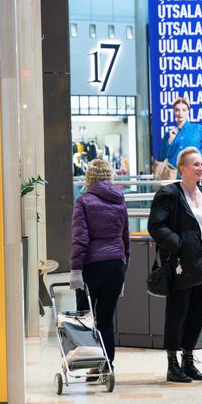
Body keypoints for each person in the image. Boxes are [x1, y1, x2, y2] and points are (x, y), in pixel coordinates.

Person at [148, 146, 202, 383]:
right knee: (178, 313)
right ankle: (172, 365)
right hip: (182, 263)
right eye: (195, 164)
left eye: (200, 164)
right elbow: (156, 226)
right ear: (182, 168)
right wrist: (180, 245)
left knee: (198, 314)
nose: (200, 168)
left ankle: (188, 360)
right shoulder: (170, 194)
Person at [70, 159, 129, 376]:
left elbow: (80, 239)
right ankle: (106, 366)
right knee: (106, 319)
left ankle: (90, 362)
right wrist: (124, 270)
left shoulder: (83, 201)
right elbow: (125, 241)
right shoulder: (120, 201)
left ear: (89, 177)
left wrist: (75, 270)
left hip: (90, 268)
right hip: (115, 266)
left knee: (84, 318)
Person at [159, 97, 202, 167]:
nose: (180, 113)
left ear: (188, 111)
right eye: (177, 110)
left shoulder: (198, 129)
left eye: (184, 110)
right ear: (173, 112)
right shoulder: (169, 134)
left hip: (193, 173)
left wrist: (200, 154)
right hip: (174, 174)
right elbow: (161, 158)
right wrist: (169, 142)